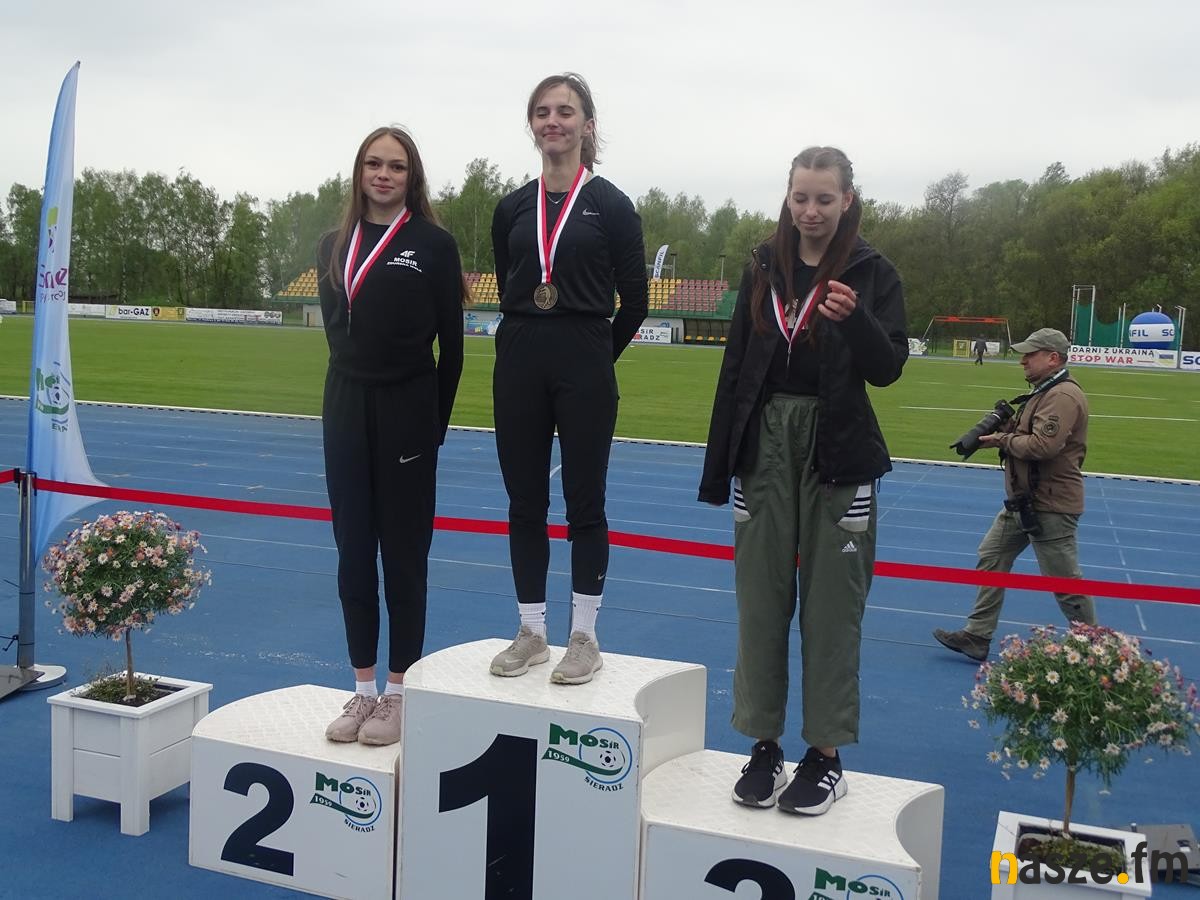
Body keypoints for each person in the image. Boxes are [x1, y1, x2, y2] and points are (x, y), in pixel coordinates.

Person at [698, 147, 908, 815]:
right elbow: (736, 368)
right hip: (764, 447)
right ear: (787, 198)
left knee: (832, 609)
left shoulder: (872, 271)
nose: (810, 211)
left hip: (839, 448)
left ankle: (825, 757)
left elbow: (888, 368)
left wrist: (857, 320)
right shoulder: (764, 266)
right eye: (800, 198)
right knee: (760, 601)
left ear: (848, 200)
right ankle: (764, 745)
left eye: (824, 198)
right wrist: (724, 465)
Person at [488, 73, 648, 685]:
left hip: (584, 353)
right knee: (524, 500)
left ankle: (584, 636)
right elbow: (510, 279)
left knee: (585, 501)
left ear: (587, 125)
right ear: (532, 125)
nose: (552, 121)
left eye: (565, 110)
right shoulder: (511, 207)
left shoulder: (612, 205)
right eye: (542, 112)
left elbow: (634, 301)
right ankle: (532, 631)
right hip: (520, 355)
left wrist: (596, 354)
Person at [317, 126, 466, 745]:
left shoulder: (433, 244)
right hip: (345, 407)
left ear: (412, 176)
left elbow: (452, 349)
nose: (383, 175)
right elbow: (338, 335)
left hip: (408, 410)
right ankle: (362, 691)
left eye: (396, 166)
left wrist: (433, 426)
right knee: (352, 552)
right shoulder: (333, 245)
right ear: (359, 172)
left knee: (403, 557)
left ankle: (398, 694)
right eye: (373, 164)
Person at [934, 328, 1095, 662]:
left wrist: (1001, 440)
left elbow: (1043, 446)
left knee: (1065, 583)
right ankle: (977, 635)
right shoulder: (1044, 391)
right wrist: (1006, 429)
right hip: (1024, 501)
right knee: (992, 555)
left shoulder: (1063, 396)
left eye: (1030, 354)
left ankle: (1096, 648)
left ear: (1053, 358)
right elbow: (1030, 435)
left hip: (1050, 503)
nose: (1023, 360)